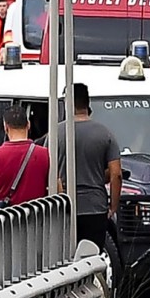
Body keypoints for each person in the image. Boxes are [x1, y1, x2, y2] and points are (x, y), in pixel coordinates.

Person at [57, 83, 122, 252]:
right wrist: (113, 206)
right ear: (87, 103)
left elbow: (51, 173)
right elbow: (116, 174)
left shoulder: (56, 133)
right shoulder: (105, 133)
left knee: (66, 261)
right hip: (95, 206)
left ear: (67, 102)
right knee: (92, 258)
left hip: (65, 207)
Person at [0, 105, 50, 210]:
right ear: (28, 125)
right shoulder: (46, 154)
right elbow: (58, 190)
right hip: (36, 219)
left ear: (5, 127)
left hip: (3, 220)